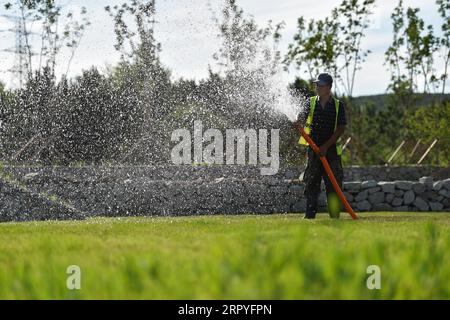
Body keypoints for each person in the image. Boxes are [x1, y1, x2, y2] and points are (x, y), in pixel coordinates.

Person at [293, 73, 347, 219]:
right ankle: (309, 215)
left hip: (332, 152)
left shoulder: (338, 105)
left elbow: (341, 128)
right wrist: (297, 123)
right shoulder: (310, 102)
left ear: (328, 87)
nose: (317, 87)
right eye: (316, 84)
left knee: (334, 184)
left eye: (320, 85)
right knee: (311, 182)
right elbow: (301, 120)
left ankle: (334, 215)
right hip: (314, 150)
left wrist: (326, 146)